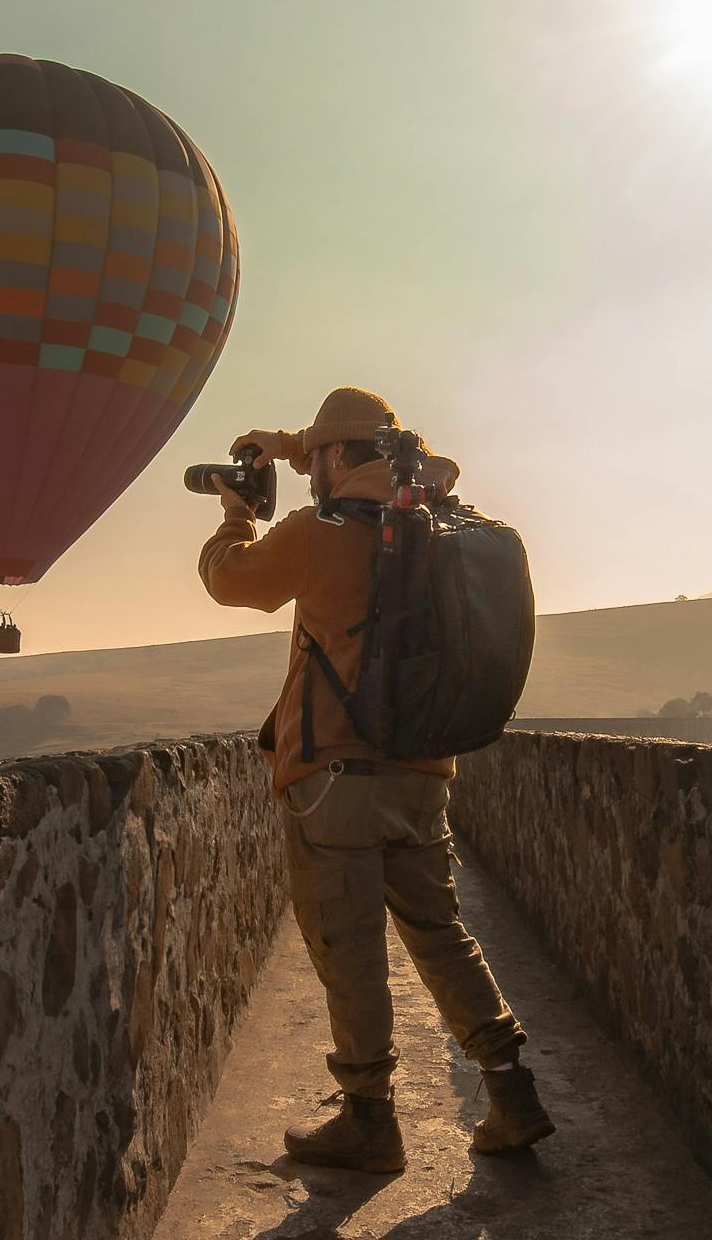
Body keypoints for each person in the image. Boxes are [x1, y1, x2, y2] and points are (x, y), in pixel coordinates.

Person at [197, 386, 555, 1173]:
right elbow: (348, 454)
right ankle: (510, 1087)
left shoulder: (320, 529)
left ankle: (368, 1118)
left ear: (333, 458)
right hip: (424, 768)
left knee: (347, 946)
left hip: (336, 778)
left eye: (317, 457)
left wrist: (235, 514)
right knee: (439, 932)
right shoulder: (426, 513)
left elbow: (232, 580)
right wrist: (296, 444)